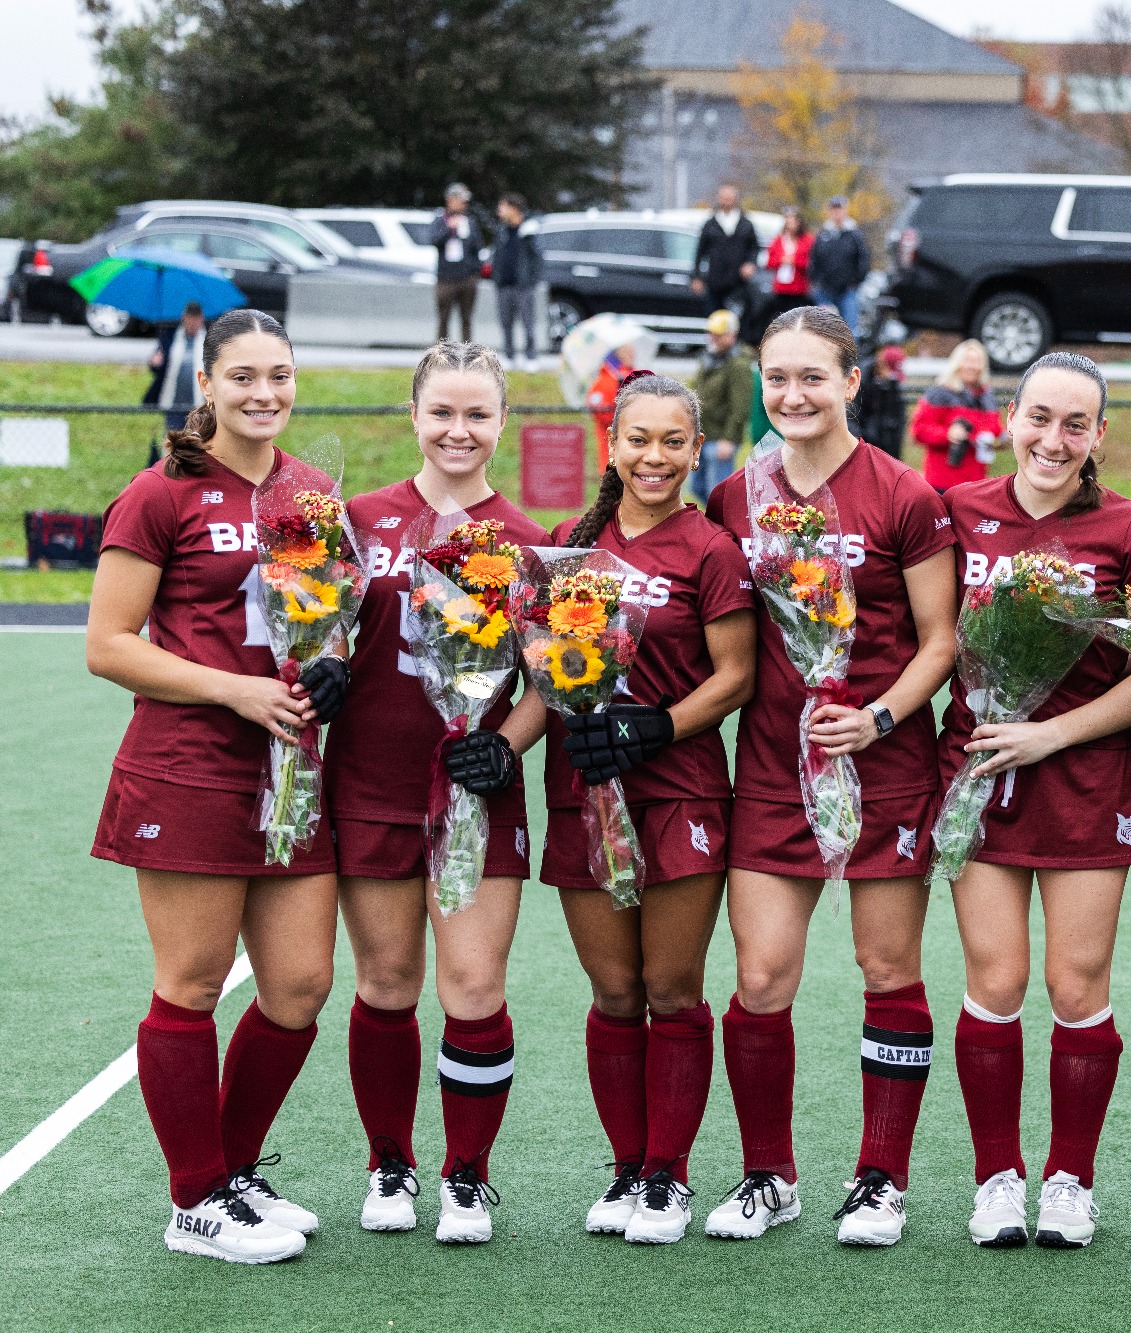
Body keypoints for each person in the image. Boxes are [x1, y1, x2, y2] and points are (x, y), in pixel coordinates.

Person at [86, 307, 348, 1264]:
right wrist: (232, 689)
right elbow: (108, 645)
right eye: (244, 377)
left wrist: (331, 666)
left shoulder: (314, 493)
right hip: (189, 764)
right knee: (192, 983)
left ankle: (231, 1171)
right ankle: (194, 1199)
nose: (264, 394)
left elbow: (329, 621)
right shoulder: (159, 493)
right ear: (207, 384)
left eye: (279, 375)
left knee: (299, 984)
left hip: (293, 769)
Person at [703, 306, 959, 1247]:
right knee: (762, 974)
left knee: (886, 967)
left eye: (814, 377)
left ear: (853, 383)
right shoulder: (736, 495)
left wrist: (880, 715)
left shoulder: (902, 492)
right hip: (774, 766)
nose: (793, 395)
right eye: (778, 378)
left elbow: (942, 640)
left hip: (886, 763)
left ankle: (880, 1179)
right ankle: (770, 1174)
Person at [939, 352, 1131, 1252]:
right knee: (994, 980)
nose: (1054, 439)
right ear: (1010, 416)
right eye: (1039, 417)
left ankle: (1071, 1179)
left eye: (1075, 425)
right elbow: (928, 640)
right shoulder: (957, 512)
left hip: (1083, 782)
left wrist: (1055, 732)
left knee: (1075, 986)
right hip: (977, 775)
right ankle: (996, 1177)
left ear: (1100, 436)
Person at [324, 342, 550, 1245]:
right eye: (442, 412)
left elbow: (555, 677)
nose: (459, 431)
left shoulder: (531, 540)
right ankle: (390, 1163)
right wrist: (327, 668)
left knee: (472, 985)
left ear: (502, 423)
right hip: (371, 783)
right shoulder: (355, 519)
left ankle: (466, 1175)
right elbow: (320, 627)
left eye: (478, 414)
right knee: (385, 983)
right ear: (413, 414)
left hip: (475, 793)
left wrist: (504, 743)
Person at [545, 373, 756, 1245]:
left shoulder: (711, 549)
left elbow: (736, 676)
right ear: (612, 443)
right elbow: (545, 662)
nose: (655, 457)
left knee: (671, 989)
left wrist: (658, 725)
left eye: (674, 441)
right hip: (586, 790)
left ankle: (669, 1176)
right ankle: (628, 1166)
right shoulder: (568, 543)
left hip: (680, 788)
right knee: (614, 989)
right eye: (639, 438)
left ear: (695, 449)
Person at [911, 339, 1002, 492]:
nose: (972, 366)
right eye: (967, 361)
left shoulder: (987, 397)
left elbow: (996, 429)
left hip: (976, 483)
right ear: (957, 363)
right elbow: (918, 430)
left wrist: (996, 439)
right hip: (941, 482)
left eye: (977, 361)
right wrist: (948, 434)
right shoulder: (939, 393)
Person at [687, 310, 756, 505]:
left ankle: (721, 530)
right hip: (702, 435)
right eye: (711, 333)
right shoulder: (708, 358)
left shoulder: (738, 364)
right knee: (696, 487)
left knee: (717, 493)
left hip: (721, 439)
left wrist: (729, 439)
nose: (712, 338)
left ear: (731, 335)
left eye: (717, 334)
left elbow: (740, 406)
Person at [490, 194, 543, 370]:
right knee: (506, 323)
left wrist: (531, 281)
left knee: (528, 323)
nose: (500, 211)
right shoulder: (502, 230)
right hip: (504, 285)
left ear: (514, 208)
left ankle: (531, 357)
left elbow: (537, 257)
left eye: (503, 206)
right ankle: (509, 355)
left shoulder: (529, 229)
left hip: (523, 286)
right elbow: (496, 256)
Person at [694, 184, 760, 317]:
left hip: (738, 282)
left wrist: (750, 264)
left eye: (730, 198)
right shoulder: (710, 224)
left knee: (737, 317)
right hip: (715, 281)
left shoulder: (746, 224)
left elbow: (754, 248)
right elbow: (700, 252)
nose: (727, 201)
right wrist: (697, 277)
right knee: (715, 317)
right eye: (724, 198)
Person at [430, 184, 485, 344]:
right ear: (450, 200)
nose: (464, 204)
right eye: (461, 200)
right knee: (443, 318)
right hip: (446, 278)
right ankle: (441, 354)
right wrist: (449, 229)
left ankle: (467, 354)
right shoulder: (440, 220)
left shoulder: (469, 222)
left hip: (467, 278)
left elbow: (477, 247)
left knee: (466, 318)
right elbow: (434, 240)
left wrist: (475, 273)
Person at [808, 196, 870, 336]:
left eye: (839, 209)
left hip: (848, 291)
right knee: (822, 329)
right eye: (834, 210)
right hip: (824, 290)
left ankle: (849, 358)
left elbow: (864, 260)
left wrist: (855, 281)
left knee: (849, 330)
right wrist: (815, 282)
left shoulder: (854, 235)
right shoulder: (823, 235)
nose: (837, 213)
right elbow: (814, 259)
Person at [143, 302, 206, 438]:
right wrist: (155, 363)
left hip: (199, 405)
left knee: (196, 442)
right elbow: (158, 369)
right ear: (184, 317)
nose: (193, 322)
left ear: (201, 319)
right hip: (173, 403)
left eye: (196, 318)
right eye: (190, 318)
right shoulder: (170, 338)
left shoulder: (209, 341)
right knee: (173, 440)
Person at [588, 341, 641, 473]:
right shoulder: (604, 380)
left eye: (632, 349)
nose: (632, 352)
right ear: (617, 352)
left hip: (638, 458)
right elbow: (600, 414)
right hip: (612, 458)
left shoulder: (640, 377)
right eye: (627, 349)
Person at [762, 206, 816, 332]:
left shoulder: (807, 240)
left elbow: (812, 263)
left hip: (799, 289)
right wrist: (781, 260)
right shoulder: (778, 240)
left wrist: (795, 261)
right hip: (781, 289)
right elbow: (769, 262)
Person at [852, 343, 908, 458]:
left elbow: (897, 421)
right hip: (864, 448)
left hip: (886, 446)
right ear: (882, 364)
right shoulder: (861, 384)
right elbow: (852, 419)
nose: (891, 377)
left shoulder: (891, 385)